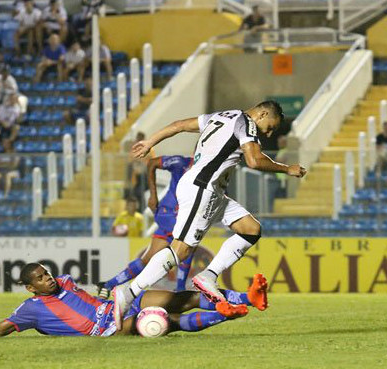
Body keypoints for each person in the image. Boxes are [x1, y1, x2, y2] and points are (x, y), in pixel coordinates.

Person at [113, 101, 307, 331]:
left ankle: (208, 276)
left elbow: (178, 125)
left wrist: (150, 141)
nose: (269, 132)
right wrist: (287, 169)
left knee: (250, 229)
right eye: (270, 126)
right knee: (180, 250)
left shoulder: (222, 116)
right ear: (263, 113)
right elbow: (254, 160)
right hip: (202, 189)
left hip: (211, 191)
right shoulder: (246, 123)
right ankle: (128, 293)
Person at [0, 263, 268, 338]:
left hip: (116, 304)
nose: (48, 278)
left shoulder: (65, 282)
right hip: (106, 327)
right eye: (39, 278)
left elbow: (87, 293)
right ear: (30, 288)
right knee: (162, 321)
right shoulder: (30, 310)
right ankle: (229, 312)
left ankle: (247, 299)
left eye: (46, 273)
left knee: (180, 297)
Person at [98, 154, 195, 296]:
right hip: (169, 213)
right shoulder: (181, 163)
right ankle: (180, 290)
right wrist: (153, 195)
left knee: (147, 258)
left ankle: (108, 285)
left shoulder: (209, 171)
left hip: (177, 217)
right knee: (189, 243)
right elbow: (152, 163)